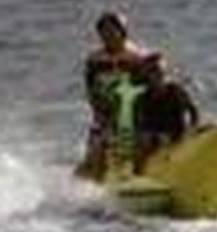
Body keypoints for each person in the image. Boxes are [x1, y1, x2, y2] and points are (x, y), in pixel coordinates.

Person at [76, 10, 148, 179]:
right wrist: (99, 113)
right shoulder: (95, 60)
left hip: (136, 113)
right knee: (96, 150)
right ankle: (82, 185)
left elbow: (153, 83)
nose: (108, 35)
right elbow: (91, 91)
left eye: (112, 30)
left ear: (123, 31)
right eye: (104, 31)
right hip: (107, 115)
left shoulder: (138, 57)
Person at [133, 52, 201, 170]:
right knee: (147, 141)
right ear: (147, 76)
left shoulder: (175, 91)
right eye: (154, 71)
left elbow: (193, 112)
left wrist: (192, 129)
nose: (159, 75)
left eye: (161, 71)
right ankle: (139, 172)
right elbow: (138, 125)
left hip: (177, 133)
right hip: (156, 137)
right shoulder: (143, 98)